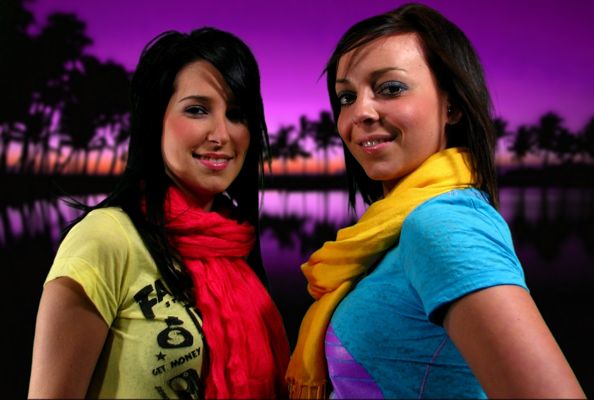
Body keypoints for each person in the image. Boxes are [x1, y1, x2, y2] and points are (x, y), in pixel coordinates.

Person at [286, 3, 585, 399]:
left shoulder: (444, 224)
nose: (360, 112)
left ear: (452, 105)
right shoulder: (390, 228)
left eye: (390, 88)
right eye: (346, 97)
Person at [29, 27, 290, 399]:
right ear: (155, 120)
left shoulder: (235, 247)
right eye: (197, 110)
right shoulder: (105, 239)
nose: (221, 134)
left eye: (236, 114)